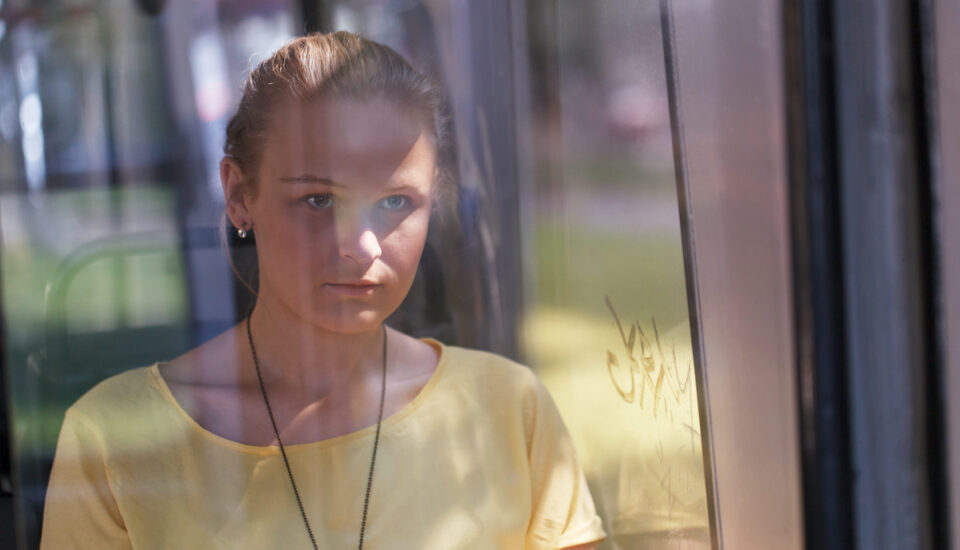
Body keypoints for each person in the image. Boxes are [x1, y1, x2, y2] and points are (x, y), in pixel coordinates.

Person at [39, 31, 605, 550]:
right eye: (319, 200)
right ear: (239, 195)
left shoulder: (510, 409)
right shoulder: (113, 442)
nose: (363, 246)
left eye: (394, 203)